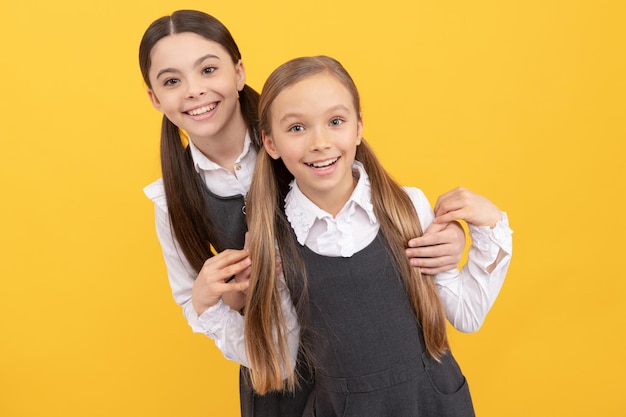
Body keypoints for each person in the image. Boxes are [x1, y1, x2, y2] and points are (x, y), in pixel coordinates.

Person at [138, 10, 470, 417]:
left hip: (362, 365)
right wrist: (207, 296)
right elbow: (192, 299)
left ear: (239, 72)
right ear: (155, 98)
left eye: (208, 69)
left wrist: (443, 243)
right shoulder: (172, 200)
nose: (194, 91)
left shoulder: (299, 126)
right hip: (278, 376)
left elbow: (381, 207)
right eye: (172, 81)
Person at [239, 56, 513, 416]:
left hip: (432, 402)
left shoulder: (408, 207)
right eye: (297, 128)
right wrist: (218, 305)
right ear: (270, 143)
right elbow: (284, 355)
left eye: (335, 121)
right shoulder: (275, 239)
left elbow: (467, 313)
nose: (320, 142)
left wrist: (491, 226)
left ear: (358, 127)